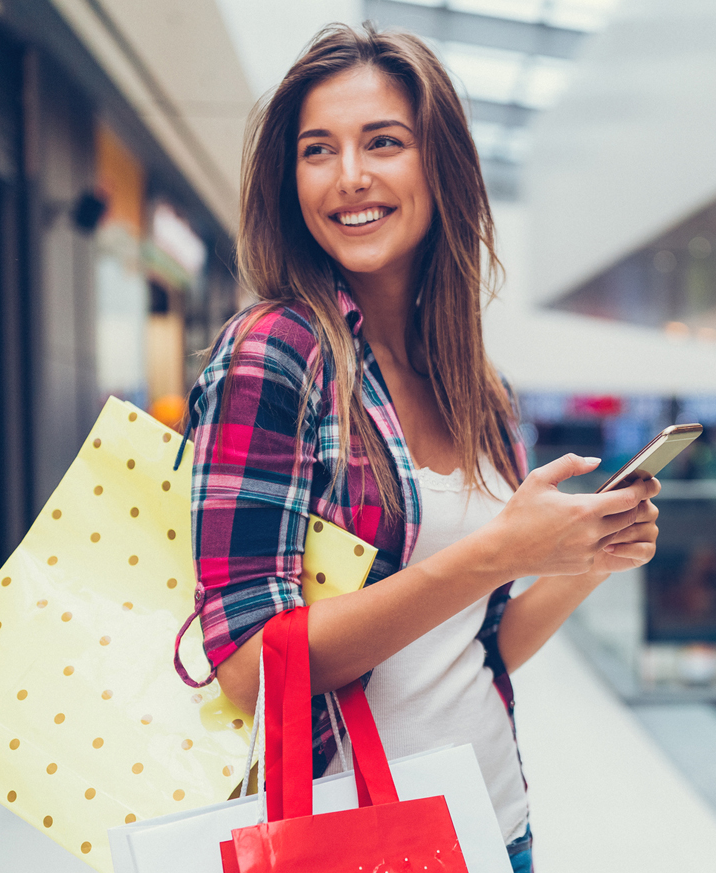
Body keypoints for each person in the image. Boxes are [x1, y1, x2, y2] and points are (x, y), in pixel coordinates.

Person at [181, 23, 660, 871]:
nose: (350, 177)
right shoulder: (275, 352)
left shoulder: (476, 382)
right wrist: (490, 554)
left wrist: (580, 561)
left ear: (440, 165)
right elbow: (252, 670)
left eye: (383, 142)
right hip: (352, 841)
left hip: (494, 824)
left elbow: (474, 646)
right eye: (317, 150)